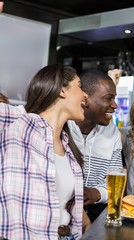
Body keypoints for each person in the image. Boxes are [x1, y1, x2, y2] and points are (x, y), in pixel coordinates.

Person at [0, 64, 87, 239]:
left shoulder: (69, 148)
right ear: (63, 90)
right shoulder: (18, 122)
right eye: (80, 86)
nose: (85, 95)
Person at [68, 69, 123, 223]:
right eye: (108, 98)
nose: (115, 105)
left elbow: (116, 182)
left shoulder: (112, 132)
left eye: (114, 98)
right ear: (84, 98)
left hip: (96, 218)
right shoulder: (63, 126)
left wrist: (96, 193)